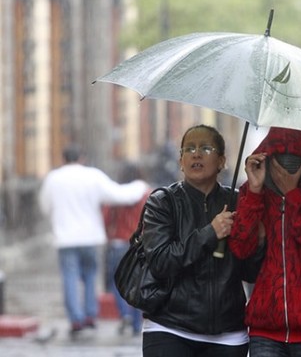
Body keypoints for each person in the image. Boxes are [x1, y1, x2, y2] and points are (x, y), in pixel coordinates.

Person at [140, 124, 264, 357]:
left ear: (221, 161)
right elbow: (160, 262)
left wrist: (259, 239)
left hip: (228, 334)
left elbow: (251, 272)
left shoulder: (240, 203)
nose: (196, 154)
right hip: (169, 328)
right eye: (189, 149)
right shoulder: (163, 202)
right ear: (180, 161)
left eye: (206, 148)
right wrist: (210, 233)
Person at [229, 127, 301, 357]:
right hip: (265, 327)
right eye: (280, 158)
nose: (286, 165)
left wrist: (293, 195)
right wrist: (253, 191)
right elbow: (241, 248)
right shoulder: (254, 190)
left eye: (295, 159)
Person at [39, 145, 149, 339]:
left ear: (63, 159)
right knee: (90, 276)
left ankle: (76, 319)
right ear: (81, 158)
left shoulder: (53, 179)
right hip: (90, 237)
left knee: (70, 277)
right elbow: (119, 195)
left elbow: (45, 206)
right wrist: (140, 186)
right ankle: (90, 315)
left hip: (65, 238)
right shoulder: (93, 176)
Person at [102, 162, 152, 335]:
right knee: (138, 284)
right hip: (140, 243)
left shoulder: (116, 195)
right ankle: (137, 323)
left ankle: (125, 313)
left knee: (116, 283)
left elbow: (106, 218)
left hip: (117, 244)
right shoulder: (148, 194)